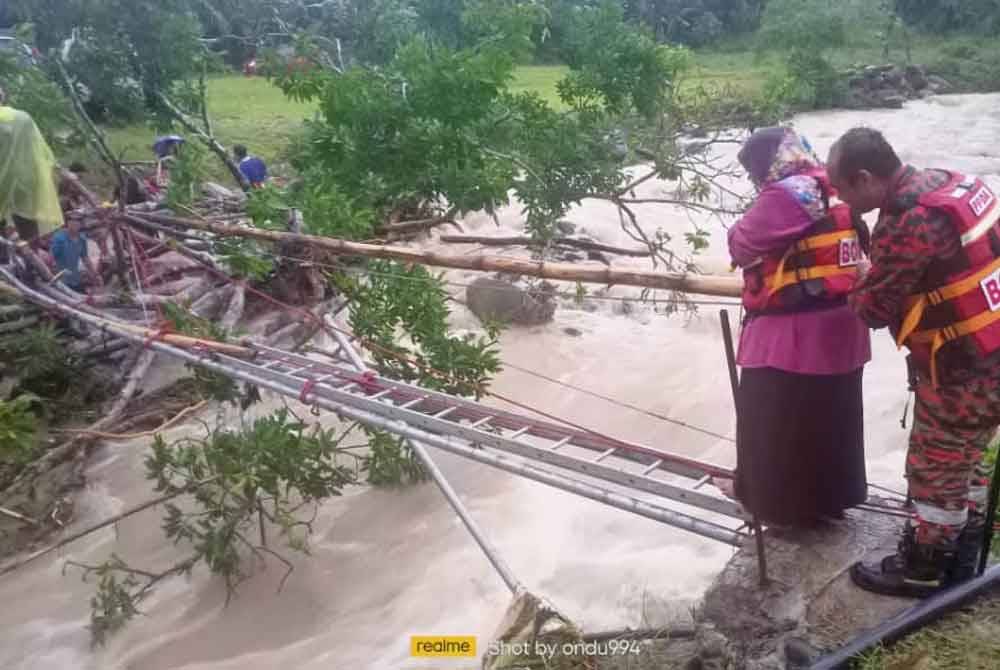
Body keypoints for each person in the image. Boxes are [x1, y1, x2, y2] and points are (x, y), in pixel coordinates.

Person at [827, 127, 1000, 598]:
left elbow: (873, 311)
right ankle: (964, 552)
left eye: (841, 188)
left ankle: (923, 570)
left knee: (936, 468)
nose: (840, 199)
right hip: (992, 351)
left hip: (963, 372)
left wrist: (864, 276)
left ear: (864, 178)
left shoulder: (905, 222)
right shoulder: (953, 183)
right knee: (970, 459)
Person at [727, 127, 872, 527]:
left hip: (792, 335)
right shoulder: (834, 185)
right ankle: (829, 499)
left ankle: (777, 506)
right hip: (845, 325)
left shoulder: (788, 195)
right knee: (831, 418)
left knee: (772, 419)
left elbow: (740, 244)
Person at [0, 85, 65, 260]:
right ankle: (33, 266)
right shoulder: (23, 118)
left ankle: (5, 267)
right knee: (27, 224)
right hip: (24, 178)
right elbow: (38, 150)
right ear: (3, 95)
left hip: (3, 181)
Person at [50, 217, 101, 291]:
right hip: (61, 279)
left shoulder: (82, 239)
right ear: (68, 223)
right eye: (72, 221)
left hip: (75, 278)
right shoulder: (59, 238)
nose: (75, 223)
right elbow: (52, 258)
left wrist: (95, 275)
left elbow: (85, 258)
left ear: (81, 224)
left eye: (78, 221)